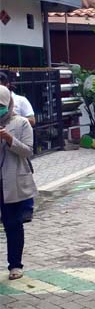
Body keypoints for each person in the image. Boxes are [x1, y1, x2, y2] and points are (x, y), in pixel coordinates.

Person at [0, 86, 36, 280]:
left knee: (12, 224)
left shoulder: (21, 123)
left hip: (12, 181)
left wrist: (8, 138)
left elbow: (28, 151)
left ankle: (15, 265)